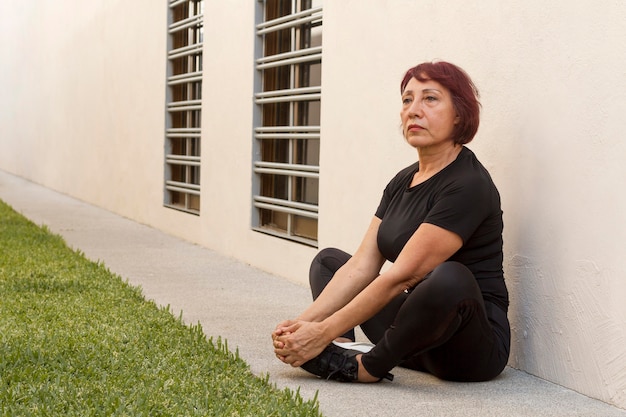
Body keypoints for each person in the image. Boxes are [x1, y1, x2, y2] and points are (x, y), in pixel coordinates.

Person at [272, 61, 510, 384]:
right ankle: (335, 349)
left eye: (430, 99)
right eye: (407, 100)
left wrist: (321, 327)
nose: (414, 110)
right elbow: (362, 266)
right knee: (328, 262)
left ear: (459, 114)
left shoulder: (469, 184)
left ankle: (366, 367)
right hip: (412, 335)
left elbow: (403, 275)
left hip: (465, 348)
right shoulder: (402, 181)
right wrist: (301, 326)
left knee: (449, 278)